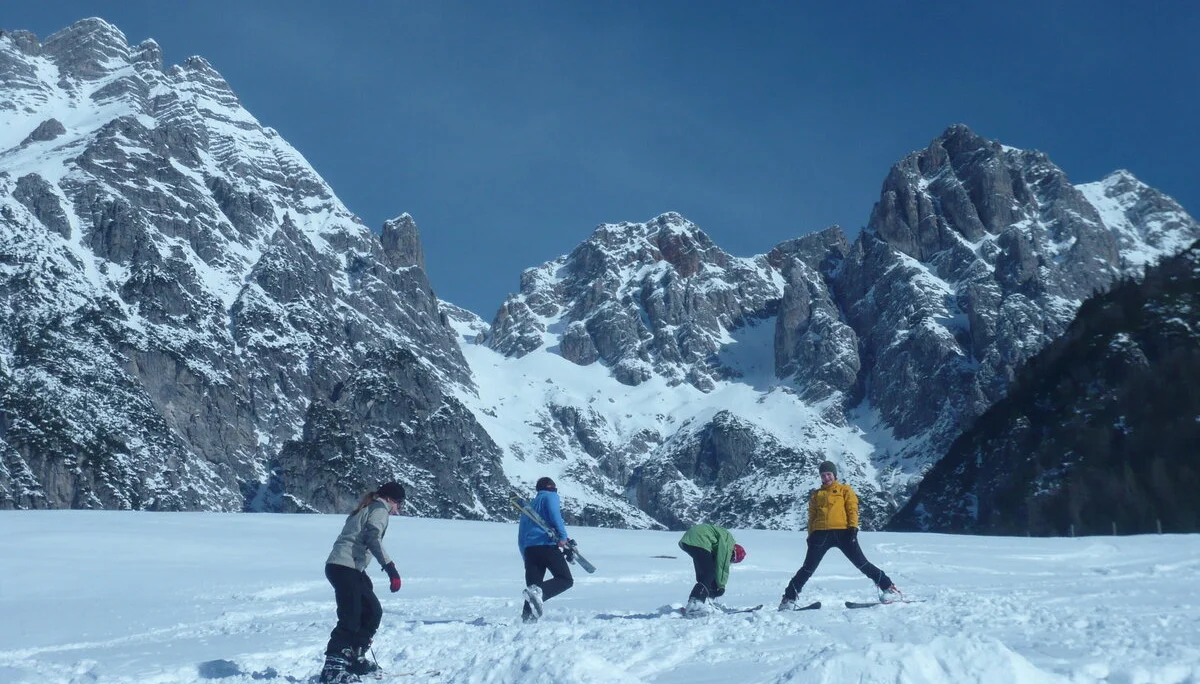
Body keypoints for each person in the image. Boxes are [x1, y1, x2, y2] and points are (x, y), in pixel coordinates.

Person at [778, 461, 900, 610]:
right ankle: (788, 599)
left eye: (829, 474)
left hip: (844, 533)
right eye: (823, 475)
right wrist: (810, 535)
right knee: (808, 569)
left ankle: (889, 588)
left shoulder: (845, 490)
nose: (826, 477)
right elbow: (812, 517)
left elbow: (852, 509)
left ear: (834, 475)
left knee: (862, 563)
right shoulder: (816, 495)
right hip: (820, 535)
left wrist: (853, 528)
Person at [318, 482, 406, 684]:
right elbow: (372, 537)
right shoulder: (379, 509)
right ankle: (332, 668)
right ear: (391, 500)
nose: (398, 510)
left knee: (372, 610)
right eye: (399, 504)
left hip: (348, 568)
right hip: (344, 566)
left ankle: (355, 657)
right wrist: (390, 568)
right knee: (351, 615)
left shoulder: (368, 507)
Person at [517, 477, 575, 623]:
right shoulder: (551, 497)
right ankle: (539, 594)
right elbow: (556, 516)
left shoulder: (528, 507)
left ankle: (526, 622)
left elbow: (521, 535)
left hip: (530, 551)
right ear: (550, 487)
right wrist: (563, 537)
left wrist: (526, 556)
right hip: (546, 546)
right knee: (565, 580)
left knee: (532, 591)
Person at [678, 523, 746, 616]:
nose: (730, 561)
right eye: (732, 559)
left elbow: (716, 566)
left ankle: (706, 600)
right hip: (699, 540)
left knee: (706, 573)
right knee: (708, 573)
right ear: (734, 552)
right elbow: (722, 565)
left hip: (690, 540)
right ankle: (695, 603)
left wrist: (713, 590)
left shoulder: (722, 542)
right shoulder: (728, 545)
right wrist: (721, 586)